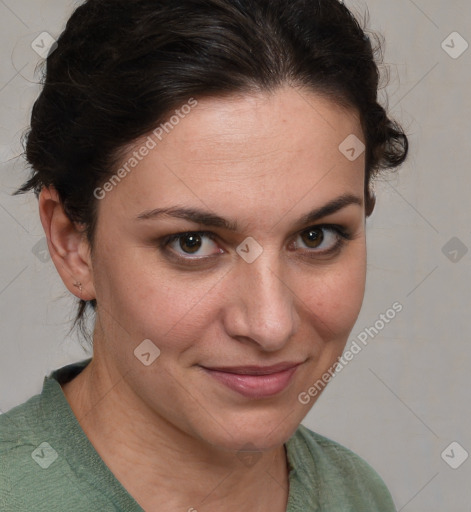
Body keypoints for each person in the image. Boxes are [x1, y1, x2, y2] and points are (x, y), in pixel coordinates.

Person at [0, 0, 408, 510]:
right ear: (73, 244)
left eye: (316, 236)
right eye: (191, 243)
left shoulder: (355, 496)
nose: (270, 324)